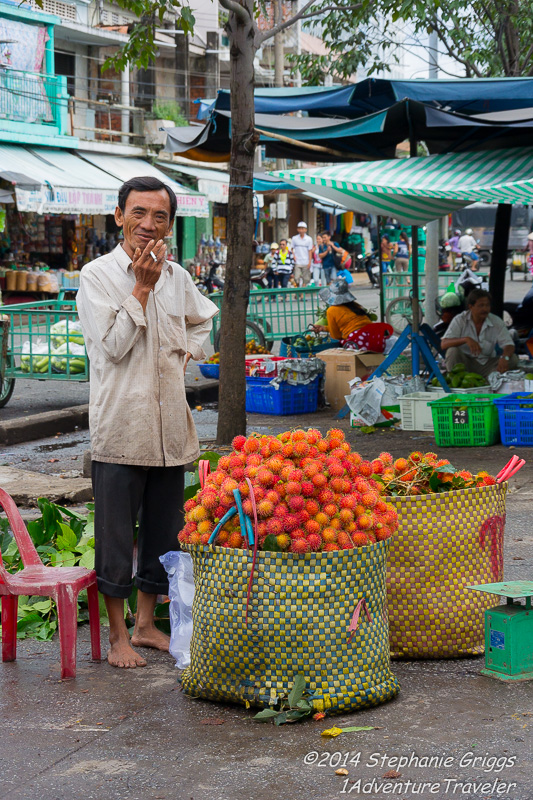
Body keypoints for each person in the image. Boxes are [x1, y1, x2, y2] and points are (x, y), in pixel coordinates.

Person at [77, 176, 218, 669]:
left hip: (170, 433)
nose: (148, 225)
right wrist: (141, 288)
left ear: (170, 224)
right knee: (116, 537)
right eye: (139, 213)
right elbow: (112, 347)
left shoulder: (177, 276)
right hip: (121, 429)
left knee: (164, 532)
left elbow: (204, 318)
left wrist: (187, 352)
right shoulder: (96, 276)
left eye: (160, 216)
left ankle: (146, 624)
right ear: (119, 216)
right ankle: (117, 637)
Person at [441, 288, 518, 378]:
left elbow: (509, 344)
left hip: (487, 365)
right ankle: (458, 380)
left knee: (513, 359)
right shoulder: (460, 320)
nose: (485, 309)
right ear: (471, 307)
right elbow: (444, 344)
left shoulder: (496, 321)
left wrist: (505, 357)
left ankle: (491, 380)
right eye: (481, 305)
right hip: (464, 364)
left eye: (487, 305)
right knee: (452, 351)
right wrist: (466, 339)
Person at [313, 278, 392, 351]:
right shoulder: (355, 305)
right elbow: (352, 325)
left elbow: (336, 336)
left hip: (359, 342)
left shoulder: (331, 310)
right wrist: (324, 328)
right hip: (377, 339)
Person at [290, 222, 313, 287]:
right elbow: (291, 248)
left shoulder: (309, 239)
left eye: (303, 228)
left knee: (305, 279)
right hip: (297, 261)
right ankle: (298, 290)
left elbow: (310, 251)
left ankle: (302, 294)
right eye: (300, 228)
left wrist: (309, 262)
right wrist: (293, 256)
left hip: (306, 261)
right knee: (296, 278)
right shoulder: (294, 238)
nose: (301, 230)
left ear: (306, 230)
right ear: (297, 229)